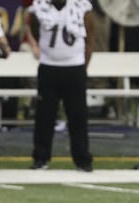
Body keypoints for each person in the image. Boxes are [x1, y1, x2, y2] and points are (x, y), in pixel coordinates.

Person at [27, 0, 94, 172]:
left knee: (78, 116)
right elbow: (34, 28)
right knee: (44, 115)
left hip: (74, 67)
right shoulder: (40, 7)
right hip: (49, 66)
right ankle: (41, 157)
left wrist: (83, 65)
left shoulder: (82, 6)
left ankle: (82, 159)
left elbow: (89, 37)